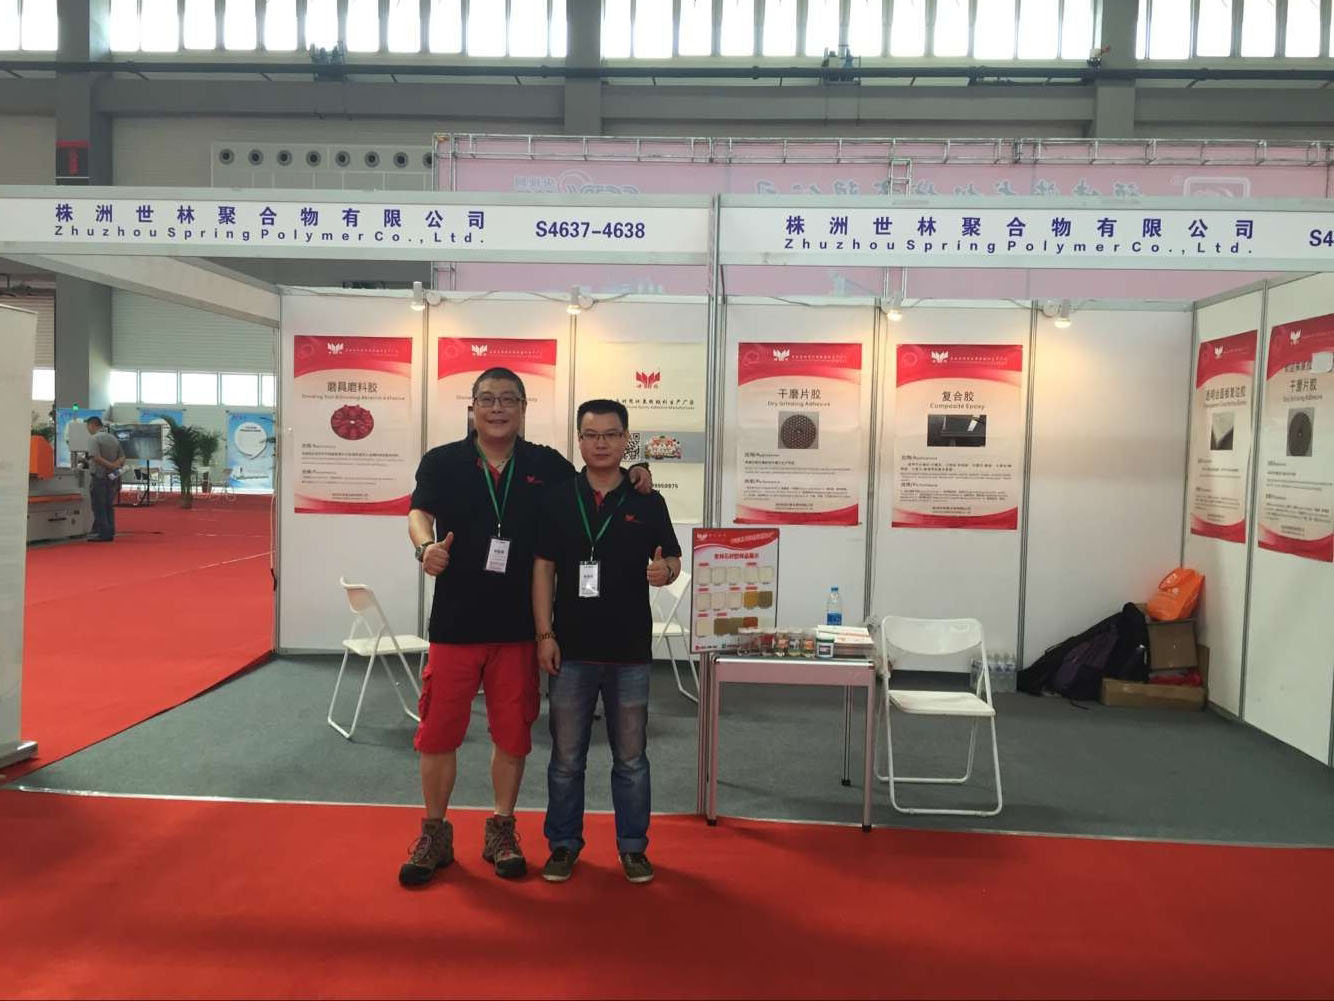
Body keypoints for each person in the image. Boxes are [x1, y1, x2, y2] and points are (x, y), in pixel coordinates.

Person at [399, 368, 652, 887]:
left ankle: (502, 829)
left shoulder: (545, 464)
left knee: (512, 735)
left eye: (508, 399)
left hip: (517, 629)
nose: (497, 408)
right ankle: (434, 832)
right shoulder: (443, 461)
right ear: (472, 406)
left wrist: (636, 472)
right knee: (438, 733)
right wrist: (425, 548)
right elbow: (418, 513)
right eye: (487, 399)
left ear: (523, 408)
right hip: (455, 625)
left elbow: (596, 479)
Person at [532, 399, 681, 884]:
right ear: (579, 440)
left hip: (629, 651)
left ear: (625, 440)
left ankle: (633, 847)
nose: (601, 443)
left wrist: (664, 572)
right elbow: (543, 569)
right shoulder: (558, 498)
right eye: (592, 435)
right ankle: (563, 844)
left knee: (632, 759)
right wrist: (544, 634)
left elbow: (672, 559)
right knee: (565, 759)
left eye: (611, 435)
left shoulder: (647, 500)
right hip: (571, 648)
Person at [84, 416, 125, 542]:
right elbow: (122, 457)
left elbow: (95, 457)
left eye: (88, 427)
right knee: (108, 504)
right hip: (113, 476)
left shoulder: (94, 439)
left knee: (99, 505)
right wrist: (114, 465)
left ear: (92, 425)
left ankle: (103, 533)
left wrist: (109, 465)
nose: (88, 430)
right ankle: (110, 530)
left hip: (99, 475)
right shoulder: (113, 438)